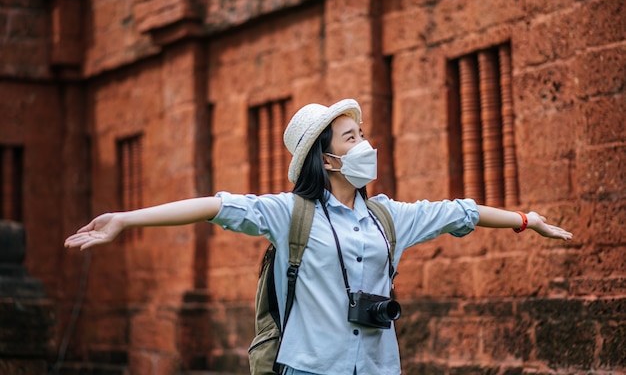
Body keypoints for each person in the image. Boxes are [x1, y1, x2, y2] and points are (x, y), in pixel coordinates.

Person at [65, 99, 573, 375]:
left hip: (377, 368)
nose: (365, 144)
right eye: (352, 137)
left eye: (362, 133)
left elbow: (458, 212)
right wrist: (126, 219)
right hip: (308, 370)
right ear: (327, 159)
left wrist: (526, 220)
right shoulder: (290, 215)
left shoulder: (387, 217)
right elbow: (215, 206)